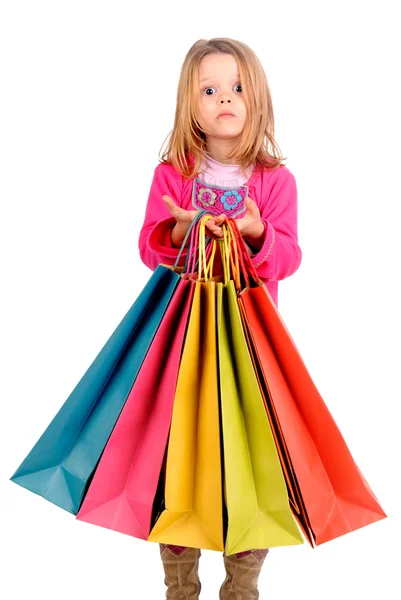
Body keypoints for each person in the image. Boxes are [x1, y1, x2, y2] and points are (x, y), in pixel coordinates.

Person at [138, 37, 302, 600]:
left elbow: (289, 257)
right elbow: (149, 249)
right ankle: (180, 588)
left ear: (256, 99)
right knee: (178, 460)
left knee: (249, 466)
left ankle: (241, 588)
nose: (224, 99)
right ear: (191, 103)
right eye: (209, 90)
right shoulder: (173, 175)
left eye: (236, 88)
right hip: (183, 347)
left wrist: (258, 232)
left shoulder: (275, 181)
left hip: (250, 351)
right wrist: (182, 228)